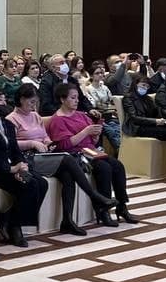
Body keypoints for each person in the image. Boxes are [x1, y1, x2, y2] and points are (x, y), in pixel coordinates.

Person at [8, 82, 116, 233]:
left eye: (36, 102)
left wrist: (48, 142)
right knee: (67, 158)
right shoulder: (11, 119)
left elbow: (44, 136)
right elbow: (10, 144)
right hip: (28, 158)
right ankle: (95, 196)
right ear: (21, 100)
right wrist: (31, 143)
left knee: (67, 174)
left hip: (44, 154)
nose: (34, 105)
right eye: (31, 102)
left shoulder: (35, 116)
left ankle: (67, 220)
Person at [0, 88, 48, 247]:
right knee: (30, 185)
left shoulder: (7, 124)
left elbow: (15, 150)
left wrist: (22, 166)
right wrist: (10, 169)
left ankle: (9, 218)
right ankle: (15, 227)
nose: (4, 103)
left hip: (11, 167)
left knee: (42, 183)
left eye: (4, 99)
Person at [46, 82, 135, 222]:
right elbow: (64, 145)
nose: (76, 101)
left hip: (91, 151)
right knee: (104, 168)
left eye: (77, 98)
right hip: (76, 155)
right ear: (62, 99)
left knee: (118, 166)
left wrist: (95, 135)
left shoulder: (82, 115)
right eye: (72, 98)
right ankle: (103, 210)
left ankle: (122, 206)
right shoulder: (57, 120)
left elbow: (92, 141)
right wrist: (86, 132)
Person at [81, 65, 122, 152]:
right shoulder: (88, 89)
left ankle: (122, 151)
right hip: (97, 118)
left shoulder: (105, 88)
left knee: (119, 129)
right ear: (91, 76)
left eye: (101, 73)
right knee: (110, 131)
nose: (100, 75)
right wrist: (103, 105)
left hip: (108, 115)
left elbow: (111, 101)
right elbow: (93, 104)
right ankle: (121, 151)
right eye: (97, 73)